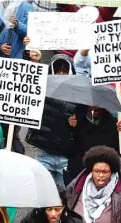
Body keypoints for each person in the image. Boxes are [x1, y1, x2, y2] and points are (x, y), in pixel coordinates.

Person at [26, 54, 77, 189]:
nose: (61, 74)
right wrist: (35, 62)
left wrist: (78, 122)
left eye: (64, 69)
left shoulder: (80, 93)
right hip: (44, 152)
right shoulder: (42, 88)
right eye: (58, 70)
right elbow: (32, 83)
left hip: (66, 156)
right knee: (43, 197)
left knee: (64, 199)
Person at [64, 104, 121, 185]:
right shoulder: (77, 122)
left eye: (98, 106)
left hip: (103, 174)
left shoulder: (113, 124)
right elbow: (69, 147)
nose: (95, 109)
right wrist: (70, 128)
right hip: (81, 172)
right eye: (92, 106)